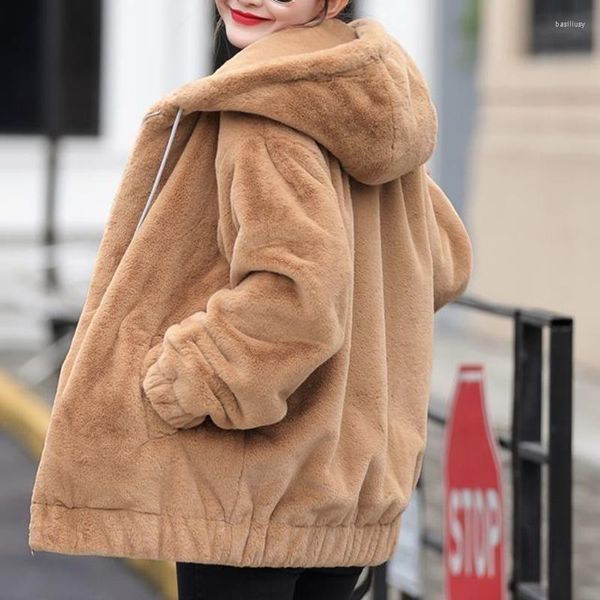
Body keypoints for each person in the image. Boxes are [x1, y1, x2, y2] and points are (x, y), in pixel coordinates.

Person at [28, 1, 473, 599]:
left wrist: (191, 378)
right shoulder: (370, 98)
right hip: (345, 484)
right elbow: (442, 263)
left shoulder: (265, 108)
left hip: (251, 486)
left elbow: (297, 297)